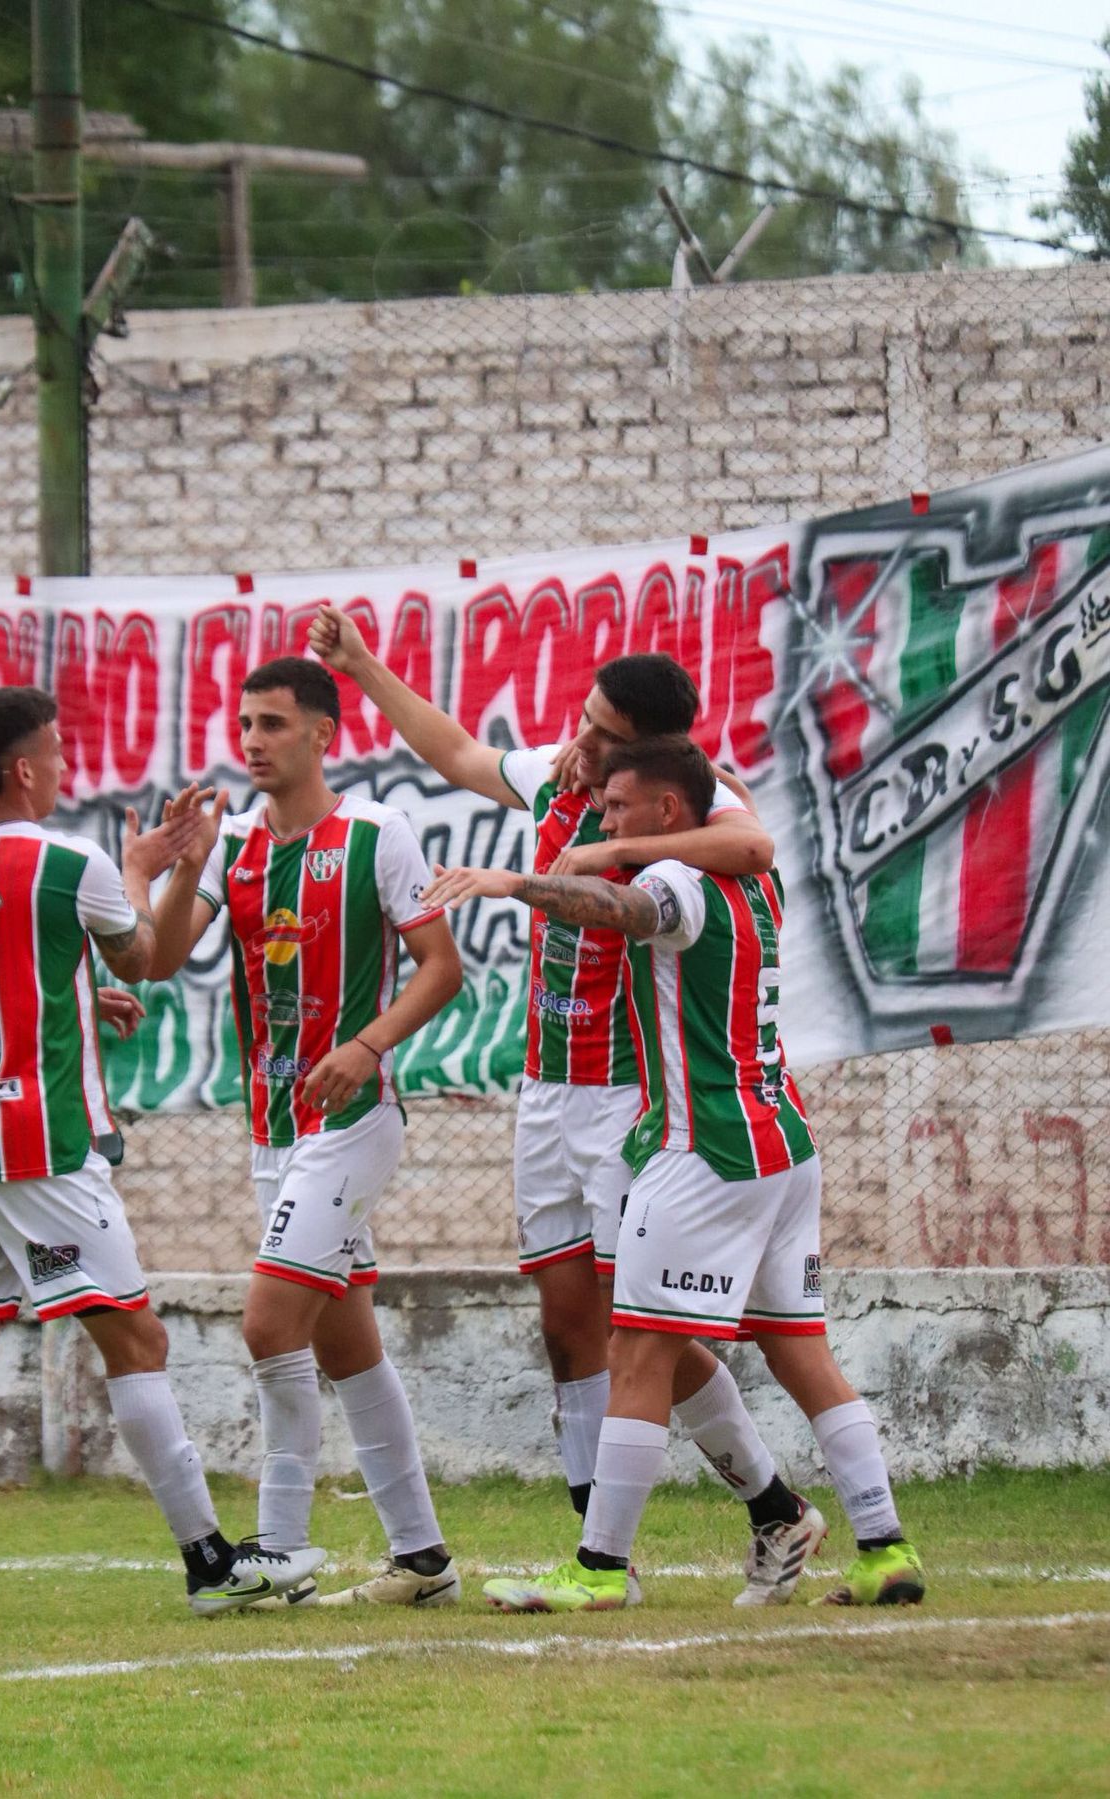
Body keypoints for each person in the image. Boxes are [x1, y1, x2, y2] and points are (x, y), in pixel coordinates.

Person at [310, 611, 827, 1607]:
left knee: (648, 1329)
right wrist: (361, 665)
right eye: (582, 722)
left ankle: (695, 1530)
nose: (579, 742)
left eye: (600, 733)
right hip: (547, 1089)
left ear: (648, 752)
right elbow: (455, 748)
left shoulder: (675, 809)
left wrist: (593, 862)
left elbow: (753, 841)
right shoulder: (560, 776)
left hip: (635, 1094)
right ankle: (692, 1533)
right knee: (566, 1322)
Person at [422, 737, 926, 1613]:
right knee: (804, 1354)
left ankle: (600, 1567)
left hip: (705, 1154)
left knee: (641, 1350)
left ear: (666, 812)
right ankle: (886, 1546)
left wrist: (516, 883)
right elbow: (739, 827)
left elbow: (620, 909)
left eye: (618, 807)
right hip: (786, 1145)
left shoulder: (680, 885)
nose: (603, 819)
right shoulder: (750, 870)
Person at [0, 686, 321, 1625]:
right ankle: (213, 1562)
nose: (63, 766)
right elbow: (142, 954)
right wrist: (154, 866)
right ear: (23, 770)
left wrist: (71, 999)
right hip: (44, 1145)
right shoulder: (69, 859)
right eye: (54, 752)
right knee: (136, 1338)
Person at [149, 656, 464, 1609]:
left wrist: (368, 1046)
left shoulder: (378, 833)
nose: (252, 740)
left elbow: (441, 967)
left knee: (267, 1320)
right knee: (343, 1343)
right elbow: (161, 958)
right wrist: (186, 865)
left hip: (353, 1124)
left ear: (325, 733)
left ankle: (278, 1544)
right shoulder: (237, 846)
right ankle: (423, 1559)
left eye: (274, 723)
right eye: (244, 723)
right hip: (272, 1134)